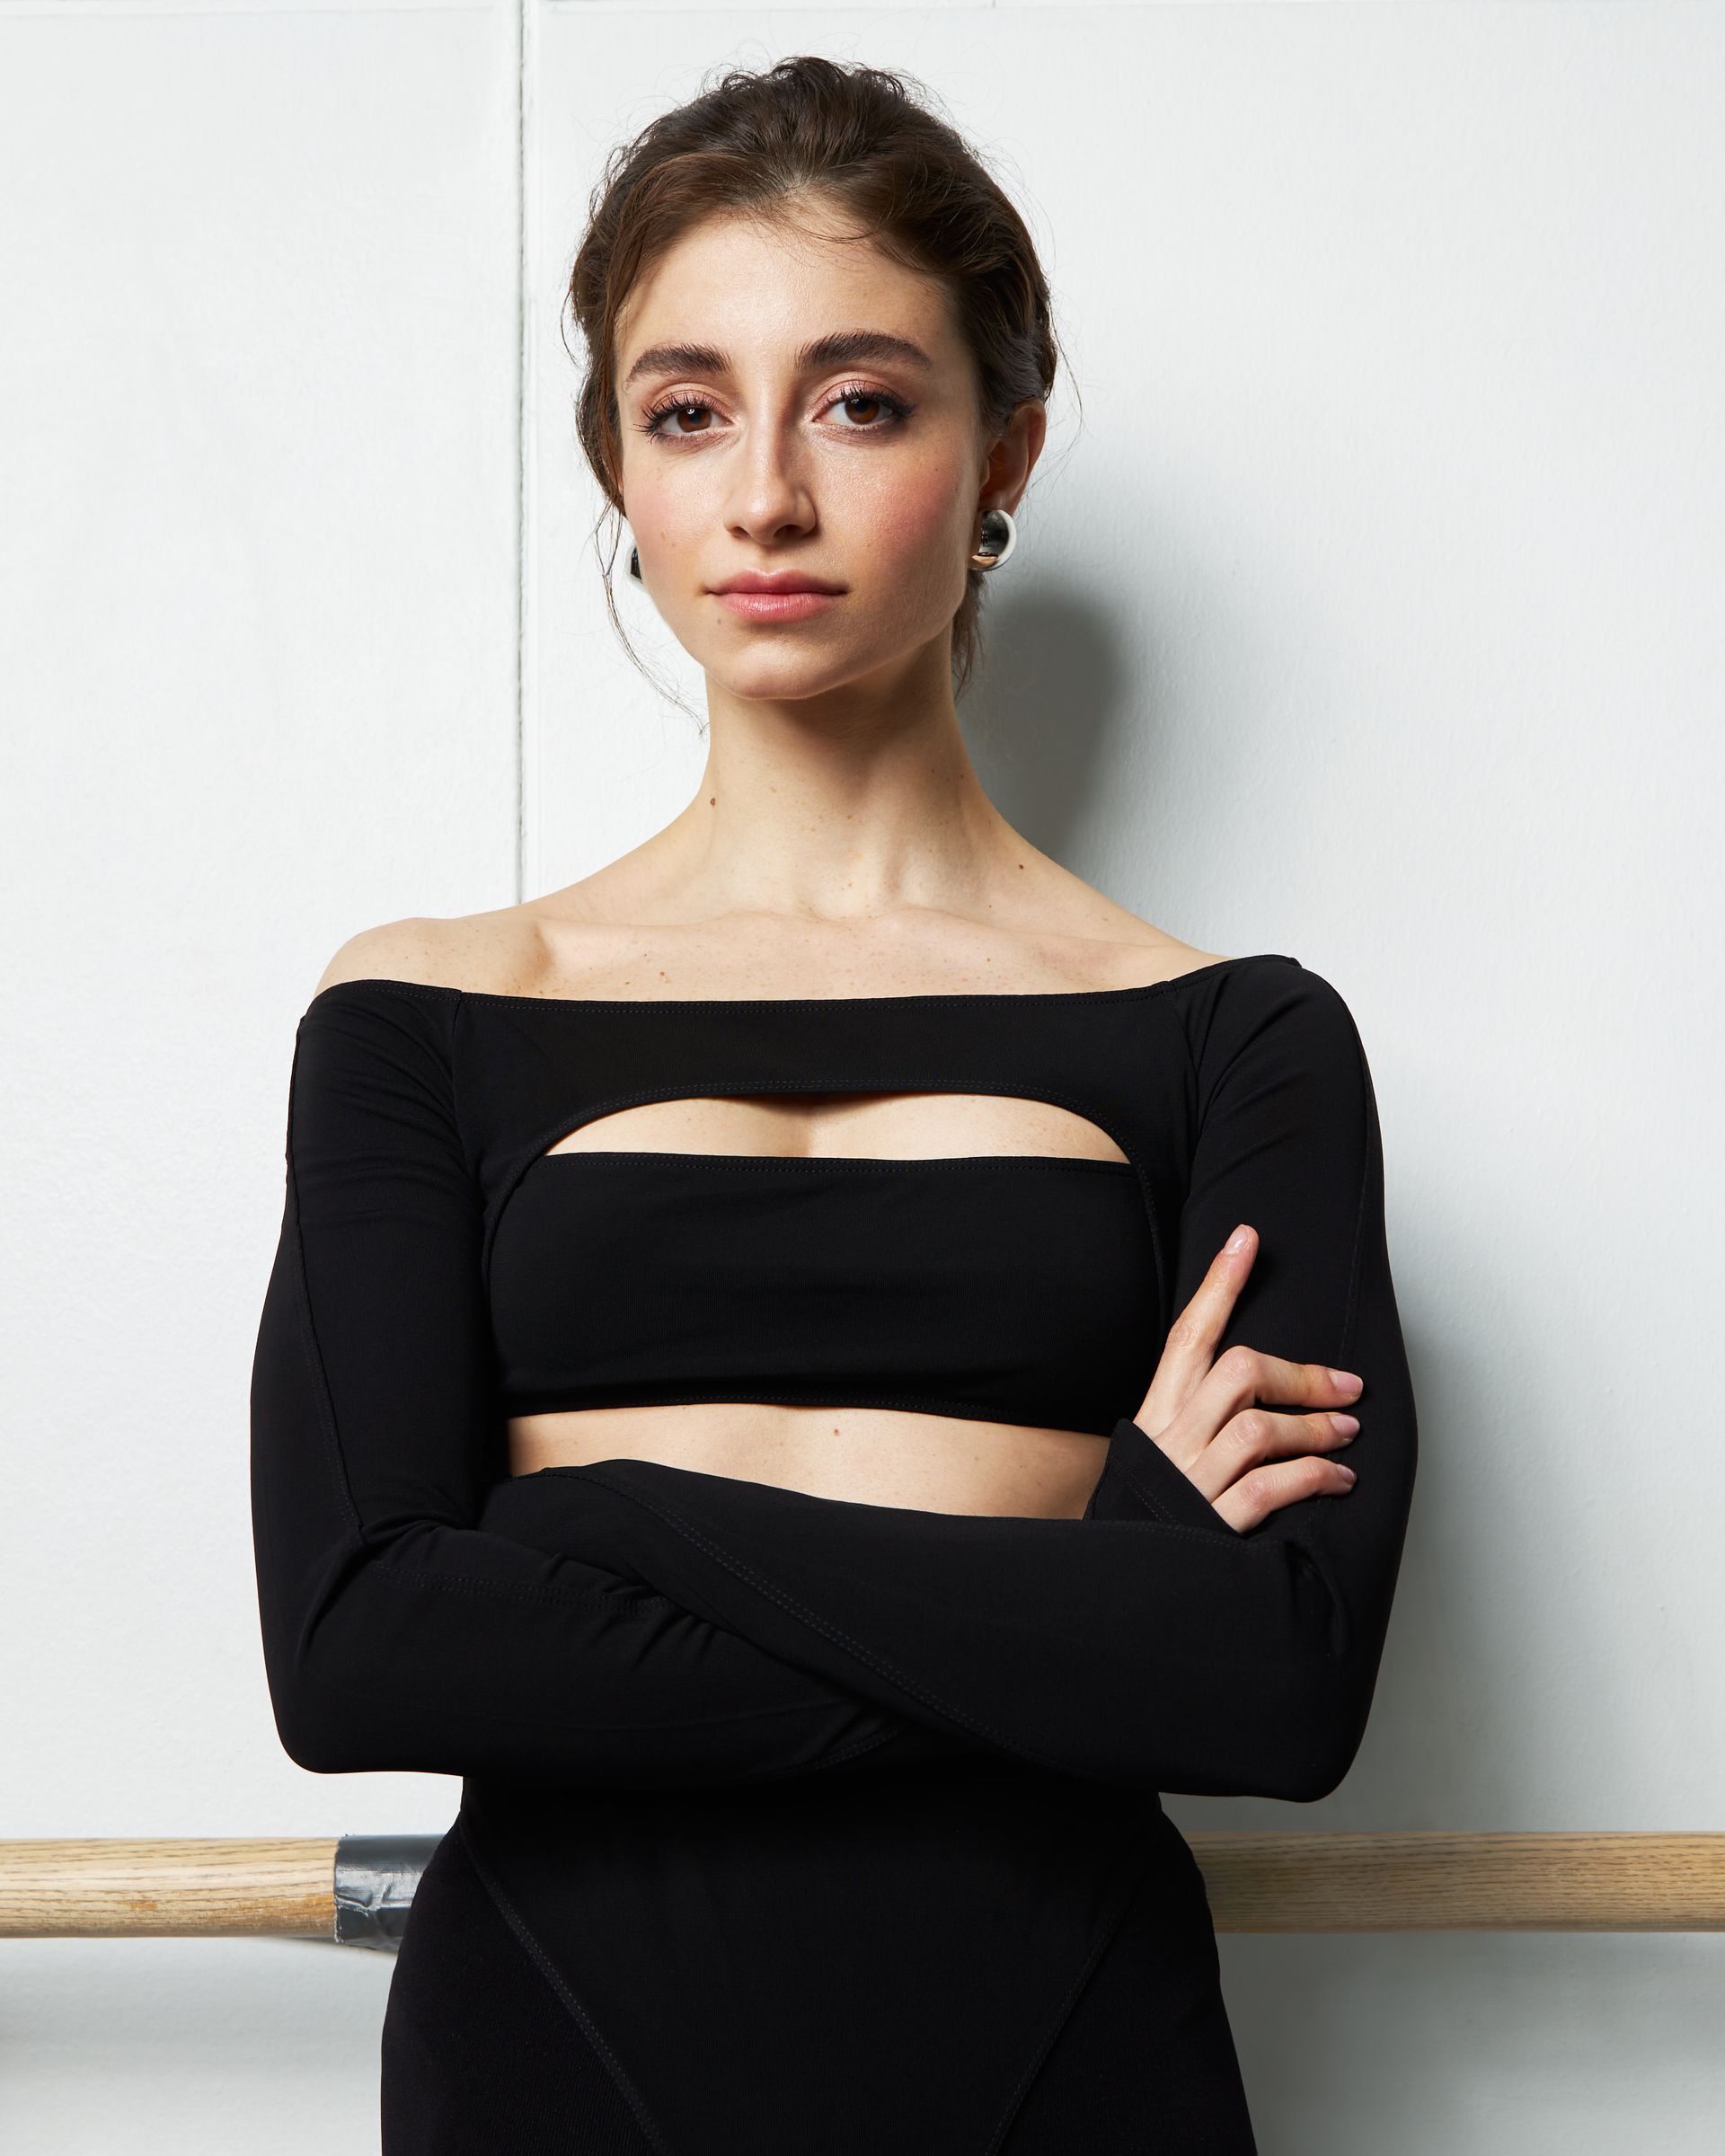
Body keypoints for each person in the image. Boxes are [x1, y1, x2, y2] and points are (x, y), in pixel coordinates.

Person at [249, 54, 1418, 2152]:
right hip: (559, 2051)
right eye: (688, 408)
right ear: (619, 461)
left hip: (1067, 2047)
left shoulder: (1231, 1039)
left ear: (1006, 453)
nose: (763, 495)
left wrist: (594, 1529)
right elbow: (360, 1655)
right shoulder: (425, 1013)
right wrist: (1101, 1576)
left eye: (861, 400)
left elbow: (1273, 1688)